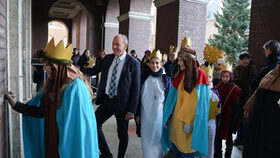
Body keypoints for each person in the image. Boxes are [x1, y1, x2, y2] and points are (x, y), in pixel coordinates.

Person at [4, 39, 99, 158]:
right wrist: (15, 104)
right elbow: (41, 111)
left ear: (55, 67)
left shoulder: (75, 88)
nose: (44, 68)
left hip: (66, 146)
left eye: (46, 64)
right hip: (52, 139)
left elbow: (77, 131)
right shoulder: (53, 84)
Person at [83, 34, 141, 158]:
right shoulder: (108, 58)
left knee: (122, 134)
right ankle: (107, 154)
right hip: (107, 101)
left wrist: (132, 110)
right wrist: (77, 70)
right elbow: (94, 70)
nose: (114, 47)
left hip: (123, 105)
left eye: (117, 44)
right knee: (93, 124)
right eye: (113, 44)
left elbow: (136, 89)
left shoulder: (133, 63)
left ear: (125, 46)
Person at [162, 46, 210, 158]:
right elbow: (175, 98)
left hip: (187, 123)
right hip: (176, 121)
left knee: (186, 151)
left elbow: (196, 102)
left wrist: (189, 122)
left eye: (180, 60)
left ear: (187, 60)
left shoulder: (199, 75)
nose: (178, 63)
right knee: (177, 149)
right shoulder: (181, 74)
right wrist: (169, 114)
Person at [137, 49, 170, 158]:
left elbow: (169, 100)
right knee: (147, 143)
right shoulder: (143, 78)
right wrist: (137, 114)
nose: (155, 65)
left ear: (161, 64)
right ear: (149, 64)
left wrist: (169, 116)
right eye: (152, 63)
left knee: (158, 141)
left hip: (159, 117)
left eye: (157, 63)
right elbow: (137, 97)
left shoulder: (165, 80)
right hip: (145, 115)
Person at [243, 61, 280, 158]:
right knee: (252, 142)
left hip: (273, 120)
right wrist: (248, 107)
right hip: (257, 115)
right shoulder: (271, 73)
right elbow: (258, 91)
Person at [232, 52, 258, 147]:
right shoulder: (237, 68)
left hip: (248, 97)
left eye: (246, 58)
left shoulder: (253, 69)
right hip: (238, 97)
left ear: (249, 59)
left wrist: (238, 81)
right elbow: (233, 80)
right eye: (242, 59)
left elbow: (251, 83)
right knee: (239, 119)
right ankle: (238, 139)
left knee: (246, 118)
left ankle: (244, 140)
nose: (244, 61)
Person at [215, 70, 242, 158]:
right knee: (218, 136)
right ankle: (218, 153)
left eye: (227, 76)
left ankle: (228, 154)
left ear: (230, 77)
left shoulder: (235, 89)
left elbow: (237, 106)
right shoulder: (218, 87)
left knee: (229, 137)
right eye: (223, 76)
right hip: (219, 116)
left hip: (229, 117)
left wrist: (234, 119)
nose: (225, 78)